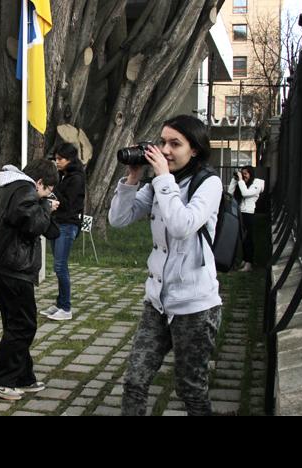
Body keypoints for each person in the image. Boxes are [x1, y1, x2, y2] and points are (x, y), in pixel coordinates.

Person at [109, 115, 223, 416]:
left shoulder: (208, 183)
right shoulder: (158, 183)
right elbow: (119, 219)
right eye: (162, 142)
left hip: (195, 306)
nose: (165, 150)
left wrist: (162, 179)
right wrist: (133, 179)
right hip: (157, 302)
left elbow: (181, 225)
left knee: (191, 389)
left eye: (175, 144)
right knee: (134, 380)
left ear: (195, 149)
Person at [0, 160, 60, 401]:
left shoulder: (9, 187)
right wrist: (46, 207)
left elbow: (33, 223)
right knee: (23, 325)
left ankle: (22, 376)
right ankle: (0, 379)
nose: (47, 195)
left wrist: (43, 206)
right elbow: (33, 224)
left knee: (15, 322)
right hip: (12, 268)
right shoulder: (24, 190)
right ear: (39, 183)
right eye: (47, 190)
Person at [41, 143, 86, 322]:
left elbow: (69, 204)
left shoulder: (76, 178)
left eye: (60, 159)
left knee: (61, 266)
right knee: (58, 266)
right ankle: (60, 304)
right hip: (58, 223)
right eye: (56, 158)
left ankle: (66, 307)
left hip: (67, 225)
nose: (57, 162)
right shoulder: (64, 175)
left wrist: (54, 189)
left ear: (70, 160)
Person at [228, 166, 265, 272]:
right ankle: (244, 259)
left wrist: (240, 180)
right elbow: (230, 194)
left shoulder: (257, 184)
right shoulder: (242, 183)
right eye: (242, 173)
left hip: (248, 213)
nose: (244, 176)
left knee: (248, 238)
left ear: (251, 174)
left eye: (246, 174)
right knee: (242, 238)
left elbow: (245, 193)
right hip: (240, 212)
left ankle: (249, 263)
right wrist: (234, 180)